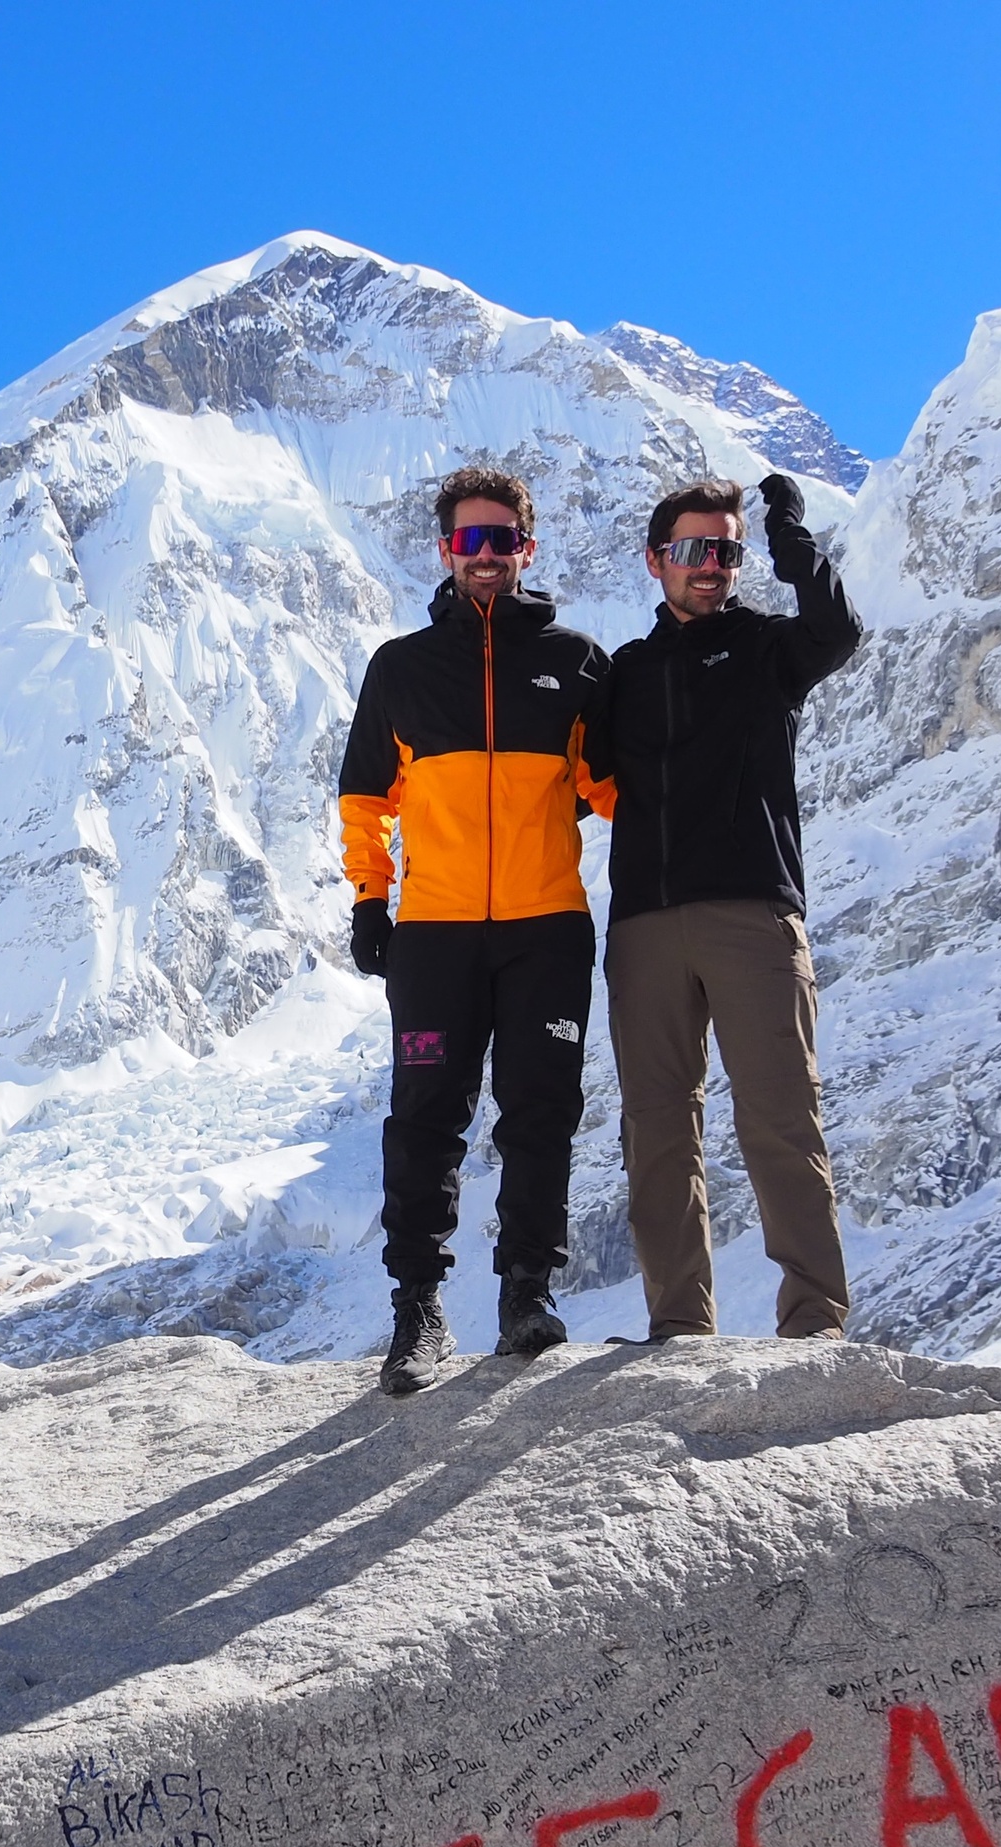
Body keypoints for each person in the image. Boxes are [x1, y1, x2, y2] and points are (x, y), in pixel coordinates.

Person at [338, 468, 616, 1396]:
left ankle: (526, 1294)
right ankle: (417, 1310)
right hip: (436, 935)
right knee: (426, 1118)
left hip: (547, 927)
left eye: (502, 539)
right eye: (469, 540)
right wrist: (371, 901)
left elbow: (616, 791)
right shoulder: (402, 667)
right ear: (446, 550)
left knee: (542, 1113)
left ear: (526, 549)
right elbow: (364, 799)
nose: (486, 555)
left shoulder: (576, 663)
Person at [600, 472, 863, 1339]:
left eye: (726, 550)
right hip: (643, 925)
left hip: (753, 912)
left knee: (782, 1116)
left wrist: (786, 531)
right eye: (692, 551)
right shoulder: (623, 674)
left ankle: (816, 1319)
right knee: (656, 1130)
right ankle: (680, 1328)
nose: (711, 567)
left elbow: (839, 629)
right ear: (655, 561)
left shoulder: (766, 648)